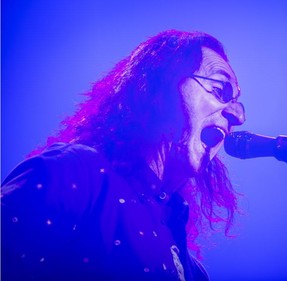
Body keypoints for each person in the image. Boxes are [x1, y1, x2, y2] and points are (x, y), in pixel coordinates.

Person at [1, 29, 245, 281]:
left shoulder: (192, 271)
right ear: (162, 89)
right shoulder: (75, 172)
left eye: (238, 102)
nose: (238, 116)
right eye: (220, 90)